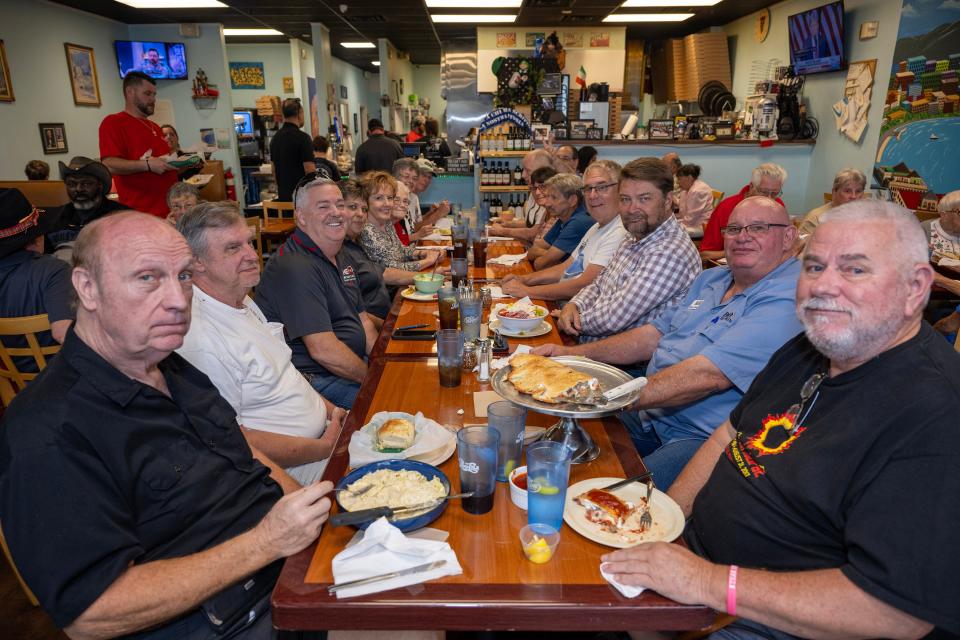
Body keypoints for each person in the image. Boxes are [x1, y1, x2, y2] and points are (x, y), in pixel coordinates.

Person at [602, 200, 960, 638]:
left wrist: (703, 582)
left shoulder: (935, 410)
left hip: (766, 620)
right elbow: (726, 439)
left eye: (854, 270)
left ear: (916, 287)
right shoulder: (810, 350)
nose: (823, 286)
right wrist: (663, 525)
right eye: (813, 267)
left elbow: (896, 612)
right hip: (695, 567)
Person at [0, 211, 334, 638]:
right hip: (223, 620)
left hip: (285, 569)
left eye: (183, 277)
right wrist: (267, 542)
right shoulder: (49, 430)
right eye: (147, 278)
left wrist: (309, 515)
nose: (178, 299)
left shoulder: (171, 367)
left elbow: (246, 454)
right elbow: (91, 613)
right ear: (87, 288)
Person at [538, 196, 802, 488]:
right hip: (651, 413)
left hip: (702, 440)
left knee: (613, 499)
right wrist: (572, 356)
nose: (742, 238)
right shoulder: (713, 278)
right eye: (734, 229)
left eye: (758, 228)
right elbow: (652, 335)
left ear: (788, 236)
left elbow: (708, 376)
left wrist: (601, 397)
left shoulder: (788, 298)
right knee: (553, 446)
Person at [176, 201, 345, 485]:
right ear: (196, 262)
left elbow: (286, 375)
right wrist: (325, 447)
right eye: (233, 248)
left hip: (324, 436)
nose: (252, 255)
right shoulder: (202, 338)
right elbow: (235, 440)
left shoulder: (241, 299)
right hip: (289, 470)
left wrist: (335, 413)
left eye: (249, 243)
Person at [255, 178, 379, 409]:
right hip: (317, 380)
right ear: (301, 217)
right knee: (398, 404)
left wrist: (381, 364)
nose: (336, 213)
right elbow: (324, 350)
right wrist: (375, 380)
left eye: (340, 205)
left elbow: (364, 321)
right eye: (323, 207)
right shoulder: (294, 266)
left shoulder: (341, 254)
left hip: (350, 367)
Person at [549, 157, 701, 345]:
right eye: (625, 199)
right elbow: (599, 284)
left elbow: (614, 318)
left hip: (628, 364)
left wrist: (570, 319)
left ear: (668, 200)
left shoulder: (670, 250)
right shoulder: (635, 234)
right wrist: (574, 304)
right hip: (594, 341)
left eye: (644, 199)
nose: (632, 209)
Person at [501, 160, 628, 302]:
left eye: (602, 187)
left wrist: (526, 291)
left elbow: (582, 285)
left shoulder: (620, 231)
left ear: (621, 190)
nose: (592, 195)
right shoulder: (595, 227)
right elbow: (566, 267)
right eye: (588, 189)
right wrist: (523, 279)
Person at [0, 188, 74, 371]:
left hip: (7, 386)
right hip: (55, 384)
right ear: (37, 237)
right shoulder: (54, 272)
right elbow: (65, 333)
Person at [99, 71, 183, 217]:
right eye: (147, 94)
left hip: (171, 212)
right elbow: (109, 164)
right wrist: (147, 165)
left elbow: (163, 167)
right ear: (130, 92)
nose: (153, 99)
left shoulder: (155, 126)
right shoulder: (113, 122)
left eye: (154, 95)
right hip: (142, 214)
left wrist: (187, 164)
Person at [47, 157, 129, 262]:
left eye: (86, 184)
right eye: (71, 184)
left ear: (100, 185)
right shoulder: (55, 217)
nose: (78, 189)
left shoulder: (122, 216)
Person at [700, 162, 787, 260]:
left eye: (775, 193)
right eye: (764, 192)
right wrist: (740, 249)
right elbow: (706, 254)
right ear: (752, 186)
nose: (769, 199)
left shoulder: (778, 205)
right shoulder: (727, 207)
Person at [359, 171, 441, 273]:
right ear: (365, 202)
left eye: (390, 198)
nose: (387, 204)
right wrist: (429, 260)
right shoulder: (366, 231)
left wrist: (423, 253)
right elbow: (392, 269)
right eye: (379, 198)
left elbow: (401, 250)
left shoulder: (386, 223)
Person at [488, 149, 557, 244]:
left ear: (542, 170)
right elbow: (531, 223)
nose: (523, 175)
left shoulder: (547, 196)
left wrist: (502, 231)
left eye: (527, 170)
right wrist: (508, 224)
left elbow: (535, 232)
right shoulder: (534, 190)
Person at [527, 173, 594, 270]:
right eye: (548, 196)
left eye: (554, 198)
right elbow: (533, 250)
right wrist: (552, 256)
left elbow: (540, 264)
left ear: (572, 200)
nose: (547, 203)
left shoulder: (578, 222)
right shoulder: (563, 216)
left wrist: (546, 256)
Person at [797, 167, 866, 236]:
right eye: (847, 191)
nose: (853, 196)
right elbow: (802, 246)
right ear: (834, 192)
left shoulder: (866, 218)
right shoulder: (816, 219)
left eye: (858, 191)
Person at [270, 98, 314, 202]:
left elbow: (273, 170)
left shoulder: (275, 138)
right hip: (301, 200)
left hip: (283, 199)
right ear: (299, 113)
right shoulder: (303, 138)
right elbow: (309, 170)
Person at [392, 158, 433, 243]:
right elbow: (395, 242)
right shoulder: (390, 202)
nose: (410, 181)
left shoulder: (412, 197)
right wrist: (418, 235)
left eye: (414, 178)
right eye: (406, 176)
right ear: (394, 177)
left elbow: (412, 228)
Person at [672, 163, 715, 228]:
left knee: (669, 230)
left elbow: (690, 219)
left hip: (701, 226)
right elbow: (684, 209)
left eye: (679, 179)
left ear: (689, 178)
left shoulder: (697, 191)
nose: (678, 182)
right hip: (692, 221)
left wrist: (674, 223)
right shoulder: (686, 189)